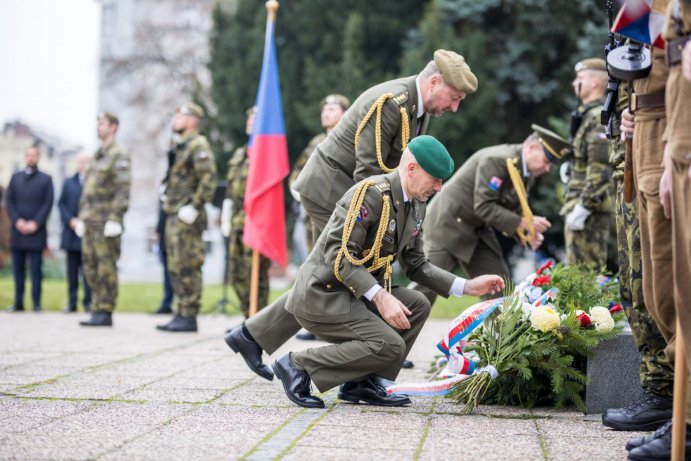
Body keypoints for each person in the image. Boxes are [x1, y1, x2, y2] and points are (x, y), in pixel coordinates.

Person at [225, 49, 478, 377]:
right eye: (454, 98)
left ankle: (253, 336)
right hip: (331, 187)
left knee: (328, 274)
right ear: (433, 82)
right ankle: (372, 351)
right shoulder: (392, 102)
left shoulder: (417, 108)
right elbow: (368, 171)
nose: (454, 107)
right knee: (335, 272)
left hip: (347, 188)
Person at [268, 136, 504, 408]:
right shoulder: (371, 194)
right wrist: (380, 296)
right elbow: (340, 256)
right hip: (323, 292)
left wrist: (467, 286)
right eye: (435, 179)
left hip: (353, 294)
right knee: (390, 345)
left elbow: (417, 264)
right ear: (412, 169)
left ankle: (364, 384)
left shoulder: (416, 204)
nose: (439, 188)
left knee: (417, 304)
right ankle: (298, 364)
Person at [602, 2, 675, 435]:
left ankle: (668, 395)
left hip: (662, 153)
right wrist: (634, 114)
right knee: (638, 283)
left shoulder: (666, 10)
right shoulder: (640, 12)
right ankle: (665, 394)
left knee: (659, 284)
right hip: (639, 149)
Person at [627, 3, 691, 460]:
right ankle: (680, 412)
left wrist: (672, 148)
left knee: (674, 289)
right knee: (656, 291)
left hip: (670, 136)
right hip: (651, 133)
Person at [411, 126, 570, 306]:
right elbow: (484, 206)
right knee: (426, 290)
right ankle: (389, 332)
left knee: (500, 288)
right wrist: (524, 222)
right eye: (547, 160)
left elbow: (509, 208)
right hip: (447, 225)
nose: (547, 168)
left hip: (476, 229)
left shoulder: (524, 171)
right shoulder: (497, 160)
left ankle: (501, 334)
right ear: (532, 148)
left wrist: (525, 234)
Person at [290, 94, 350, 341]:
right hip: (313, 214)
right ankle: (313, 322)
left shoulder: (350, 138)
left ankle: (335, 322)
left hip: (339, 212)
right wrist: (298, 190)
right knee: (313, 268)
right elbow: (299, 170)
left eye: (332, 108)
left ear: (345, 113)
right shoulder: (316, 141)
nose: (326, 112)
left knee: (336, 268)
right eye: (324, 109)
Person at [156, 103, 217, 332]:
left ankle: (189, 314)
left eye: (181, 115)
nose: (176, 119)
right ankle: (180, 312)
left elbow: (208, 180)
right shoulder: (180, 146)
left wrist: (195, 206)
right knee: (175, 265)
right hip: (174, 214)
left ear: (193, 120)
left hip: (187, 217)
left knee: (188, 265)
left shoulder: (198, 145)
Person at [78, 112, 130, 327]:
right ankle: (96, 307)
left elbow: (122, 189)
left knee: (105, 267)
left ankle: (106, 309)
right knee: (90, 266)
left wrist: (115, 218)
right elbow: (87, 190)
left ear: (113, 127)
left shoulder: (119, 154)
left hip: (106, 221)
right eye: (98, 123)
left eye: (102, 124)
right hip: (91, 220)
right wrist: (82, 216)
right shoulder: (98, 155)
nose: (99, 127)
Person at [560, 58, 614, 268]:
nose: (575, 83)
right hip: (580, 202)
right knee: (578, 273)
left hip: (589, 208)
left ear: (595, 82)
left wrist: (584, 207)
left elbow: (600, 169)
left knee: (585, 275)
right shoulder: (586, 115)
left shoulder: (596, 117)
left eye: (580, 78)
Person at [220, 107, 270, 318]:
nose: (250, 120)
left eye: (256, 118)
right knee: (236, 272)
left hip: (257, 222)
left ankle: (257, 320)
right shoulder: (240, 154)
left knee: (255, 274)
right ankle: (246, 316)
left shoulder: (268, 154)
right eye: (249, 117)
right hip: (237, 220)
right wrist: (226, 210)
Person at [5, 145, 54, 312]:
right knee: (18, 270)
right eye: (28, 155)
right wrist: (17, 220)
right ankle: (18, 303)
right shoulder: (15, 178)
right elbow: (9, 201)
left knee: (35, 270)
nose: (31, 158)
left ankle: (36, 303)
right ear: (25, 157)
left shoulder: (46, 179)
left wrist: (35, 223)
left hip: (36, 233)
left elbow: (48, 203)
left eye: (34, 155)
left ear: (38, 157)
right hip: (17, 231)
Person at [58, 151, 92, 313]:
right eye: (80, 161)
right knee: (72, 272)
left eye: (85, 161)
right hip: (71, 233)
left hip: (88, 234)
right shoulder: (69, 182)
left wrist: (86, 221)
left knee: (87, 272)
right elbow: (61, 204)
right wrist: (71, 220)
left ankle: (88, 302)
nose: (83, 164)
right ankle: (72, 303)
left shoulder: (94, 182)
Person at [152, 201, 173, 315]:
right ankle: (166, 304)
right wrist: (158, 231)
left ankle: (178, 307)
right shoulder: (165, 186)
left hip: (177, 232)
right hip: (165, 231)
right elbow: (163, 211)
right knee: (167, 272)